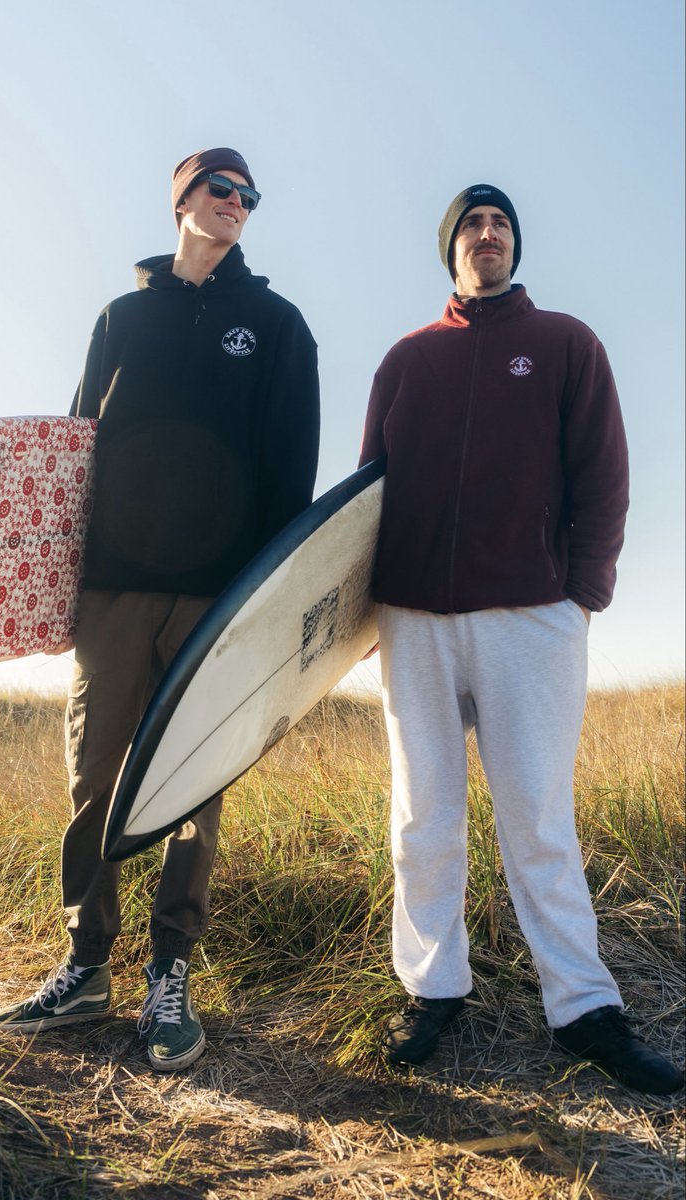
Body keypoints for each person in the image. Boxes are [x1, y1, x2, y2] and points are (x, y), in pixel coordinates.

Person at [0, 148, 320, 1071]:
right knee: (93, 775)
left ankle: (169, 973)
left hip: (217, 599)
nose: (237, 203)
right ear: (183, 201)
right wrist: (52, 589)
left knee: (190, 790)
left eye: (249, 196)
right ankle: (86, 963)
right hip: (115, 587)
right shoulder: (121, 318)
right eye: (221, 189)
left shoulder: (277, 325)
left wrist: (266, 605)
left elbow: (291, 474)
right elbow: (73, 452)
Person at [359, 184, 683, 1095]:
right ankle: (432, 990)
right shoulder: (406, 359)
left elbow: (604, 476)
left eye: (500, 223)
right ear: (451, 249)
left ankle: (583, 1008)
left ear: (514, 246)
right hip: (413, 618)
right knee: (422, 816)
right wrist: (363, 614)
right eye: (472, 223)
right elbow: (365, 493)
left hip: (529, 617)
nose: (488, 233)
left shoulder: (567, 344)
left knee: (538, 818)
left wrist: (580, 596)